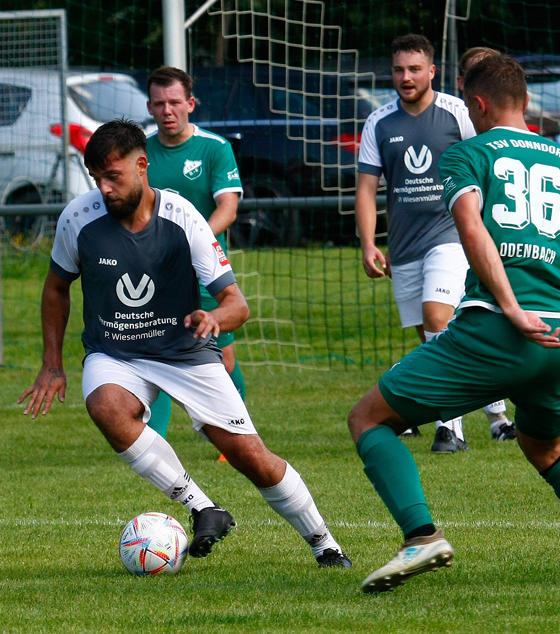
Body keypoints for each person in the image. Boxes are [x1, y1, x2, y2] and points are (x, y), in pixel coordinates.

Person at [348, 53, 560, 593]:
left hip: (495, 328)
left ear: (478, 104)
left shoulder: (468, 154)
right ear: (529, 102)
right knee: (545, 447)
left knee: (369, 419)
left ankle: (421, 534)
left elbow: (469, 226)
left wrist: (513, 309)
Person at [18, 119, 351, 568]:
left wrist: (213, 316)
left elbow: (238, 304)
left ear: (141, 166)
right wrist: (52, 364)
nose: (104, 188)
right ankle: (203, 507)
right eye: (95, 177)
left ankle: (324, 542)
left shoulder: (182, 218)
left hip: (183, 351)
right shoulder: (78, 218)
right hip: (115, 352)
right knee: (106, 407)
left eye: (113, 176)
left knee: (249, 456)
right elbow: (56, 287)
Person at [355, 33, 515, 453]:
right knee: (432, 337)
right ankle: (497, 415)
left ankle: (451, 427)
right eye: (398, 70)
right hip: (404, 247)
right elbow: (368, 189)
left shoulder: (457, 113)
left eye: (414, 69)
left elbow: (489, 162)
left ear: (431, 71)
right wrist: (369, 243)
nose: (405, 77)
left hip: (453, 238)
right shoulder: (379, 122)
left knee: (436, 317)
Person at [142, 66, 246, 444]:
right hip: (152, 270)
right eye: (159, 103)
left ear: (190, 103)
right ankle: (152, 439)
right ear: (150, 107)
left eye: (175, 102)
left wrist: (190, 241)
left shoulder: (214, 148)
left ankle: (235, 429)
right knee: (155, 350)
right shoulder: (141, 153)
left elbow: (228, 209)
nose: (168, 110)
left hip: (204, 268)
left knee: (223, 357)